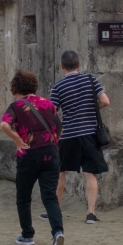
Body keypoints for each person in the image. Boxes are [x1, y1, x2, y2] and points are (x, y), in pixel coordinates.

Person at [0, 69, 64, 245]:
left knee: (24, 197)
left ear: (15, 87)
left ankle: (27, 235)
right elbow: (58, 127)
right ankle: (58, 232)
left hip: (28, 154)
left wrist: (18, 140)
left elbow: (4, 124)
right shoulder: (48, 103)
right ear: (34, 86)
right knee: (50, 197)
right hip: (51, 153)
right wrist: (53, 142)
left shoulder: (17, 106)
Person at [50, 49, 110, 224]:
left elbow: (52, 112)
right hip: (89, 134)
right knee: (90, 174)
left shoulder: (58, 87)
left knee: (61, 173)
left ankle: (56, 211)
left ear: (62, 67)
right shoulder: (91, 80)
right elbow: (105, 101)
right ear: (79, 64)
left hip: (68, 135)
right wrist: (91, 109)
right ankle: (90, 214)